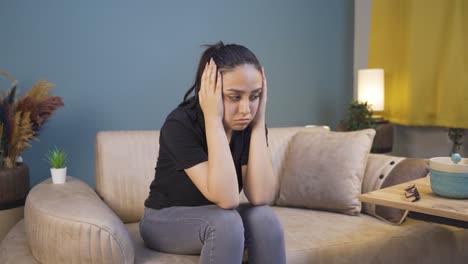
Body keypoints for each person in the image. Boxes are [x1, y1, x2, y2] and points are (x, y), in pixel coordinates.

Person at [140, 42, 286, 264]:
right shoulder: (180, 123)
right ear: (210, 91)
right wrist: (213, 119)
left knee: (265, 218)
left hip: (218, 215)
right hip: (163, 219)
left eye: (254, 96)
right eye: (235, 97)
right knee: (226, 223)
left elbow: (260, 195)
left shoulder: (248, 124)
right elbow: (227, 198)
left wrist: (259, 122)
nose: (246, 109)